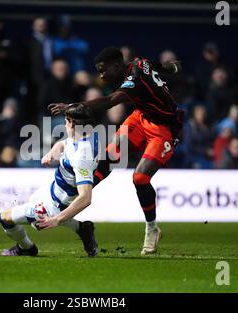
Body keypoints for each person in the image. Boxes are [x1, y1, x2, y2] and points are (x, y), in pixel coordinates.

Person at [49, 47, 184, 255]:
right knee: (111, 157)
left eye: (103, 70)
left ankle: (152, 228)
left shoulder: (134, 81)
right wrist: (169, 68)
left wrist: (71, 106)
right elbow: (154, 65)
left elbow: (110, 101)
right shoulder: (139, 62)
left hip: (164, 129)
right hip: (140, 118)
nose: (101, 75)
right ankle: (78, 193)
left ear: (116, 66)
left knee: (140, 178)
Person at [0, 103, 99, 257]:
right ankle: (82, 229)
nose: (64, 125)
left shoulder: (82, 157)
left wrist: (57, 219)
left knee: (5, 218)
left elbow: (85, 198)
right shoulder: (86, 134)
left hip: (55, 205)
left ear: (72, 123)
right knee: (30, 203)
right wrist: (52, 153)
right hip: (52, 190)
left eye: (65, 121)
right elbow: (63, 144)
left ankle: (26, 248)